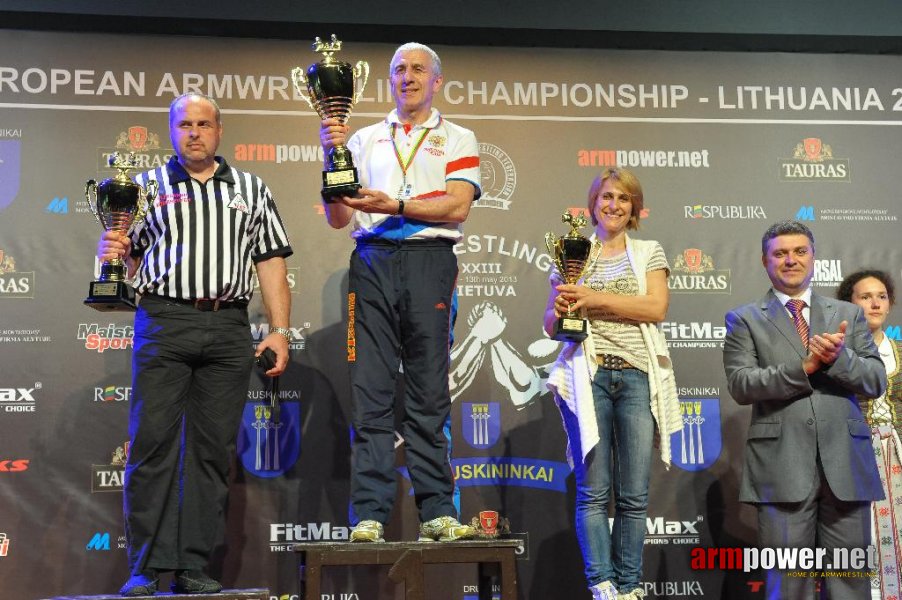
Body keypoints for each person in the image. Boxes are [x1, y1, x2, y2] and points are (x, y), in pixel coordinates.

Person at [97, 93, 293, 596]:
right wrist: (111, 256)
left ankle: (192, 565)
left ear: (220, 130)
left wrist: (278, 329)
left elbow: (270, 262)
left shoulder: (251, 188)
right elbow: (128, 264)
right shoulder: (144, 189)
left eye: (204, 124)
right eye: (185, 124)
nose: (195, 133)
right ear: (171, 130)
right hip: (163, 320)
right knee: (152, 445)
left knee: (210, 452)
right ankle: (145, 566)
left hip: (228, 326)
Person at [319, 42, 479, 543]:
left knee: (429, 392)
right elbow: (339, 216)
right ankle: (369, 513)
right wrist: (331, 156)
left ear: (436, 82)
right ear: (388, 81)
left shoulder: (458, 137)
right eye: (398, 70)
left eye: (417, 70)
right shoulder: (363, 139)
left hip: (431, 263)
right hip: (372, 262)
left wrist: (397, 204)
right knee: (371, 391)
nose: (407, 77)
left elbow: (457, 207)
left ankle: (437, 512)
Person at [722, 221, 885, 599]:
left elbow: (875, 380)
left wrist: (838, 359)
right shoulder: (744, 318)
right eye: (780, 253)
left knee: (850, 583)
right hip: (781, 468)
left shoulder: (849, 313)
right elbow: (742, 384)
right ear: (765, 261)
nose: (790, 260)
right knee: (788, 586)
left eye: (800, 252)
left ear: (814, 257)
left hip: (846, 465)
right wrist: (805, 368)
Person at [545, 168, 681, 600]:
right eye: (607, 197)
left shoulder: (648, 252)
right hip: (589, 378)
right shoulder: (574, 252)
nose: (614, 205)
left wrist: (593, 299)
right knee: (593, 491)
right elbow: (551, 325)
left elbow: (655, 307)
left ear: (635, 208)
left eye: (624, 198)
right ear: (593, 204)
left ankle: (629, 587)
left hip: (638, 376)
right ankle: (602, 585)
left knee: (634, 496)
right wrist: (566, 305)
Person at [836, 269, 901, 600]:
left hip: (897, 456)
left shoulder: (900, 351)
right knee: (861, 535)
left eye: (881, 296)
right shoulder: (835, 352)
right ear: (848, 305)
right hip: (853, 454)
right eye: (865, 297)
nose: (875, 303)